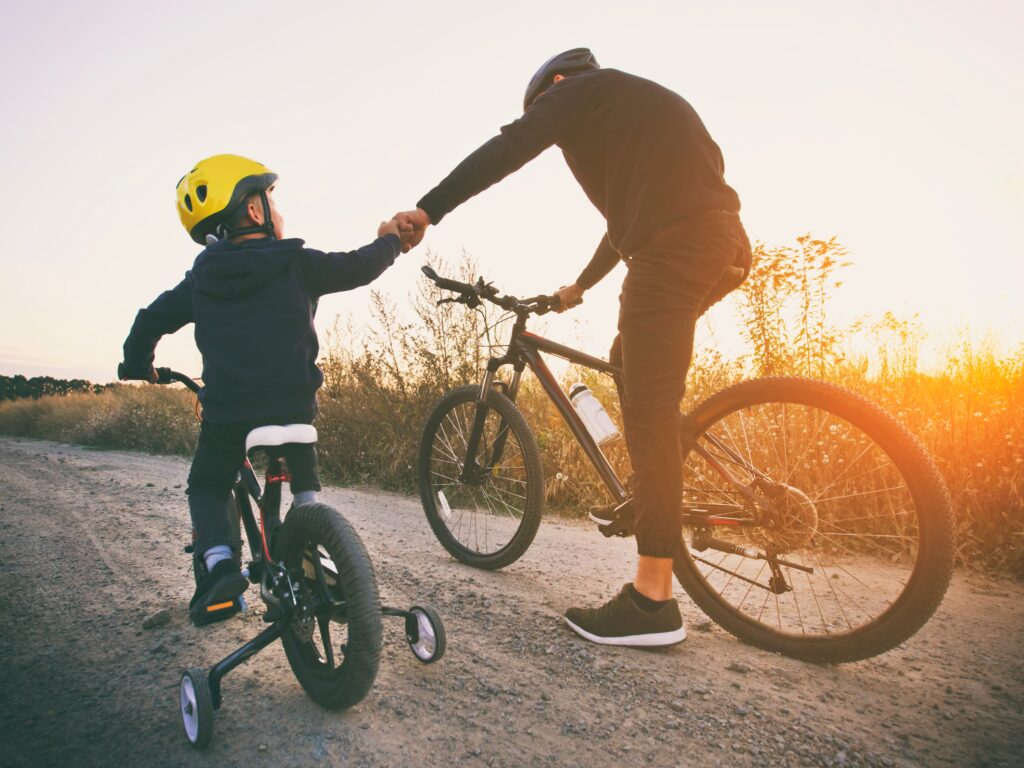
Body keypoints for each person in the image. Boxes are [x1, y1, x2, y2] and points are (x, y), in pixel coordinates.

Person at [396, 49, 751, 647]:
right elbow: (624, 223)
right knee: (627, 359)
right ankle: (653, 486)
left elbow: (507, 149)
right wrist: (578, 289)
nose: (555, 139)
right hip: (725, 245)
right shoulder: (636, 109)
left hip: (673, 253)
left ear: (554, 89)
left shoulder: (576, 92)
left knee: (648, 411)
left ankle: (652, 603)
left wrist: (429, 209)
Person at [120, 154, 414, 626]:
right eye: (271, 199)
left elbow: (149, 320)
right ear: (254, 211)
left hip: (230, 417)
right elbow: (359, 267)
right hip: (296, 407)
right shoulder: (296, 262)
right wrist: (390, 239)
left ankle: (218, 566)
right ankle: (314, 526)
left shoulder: (201, 280)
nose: (277, 209)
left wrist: (138, 363)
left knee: (208, 482)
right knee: (301, 475)